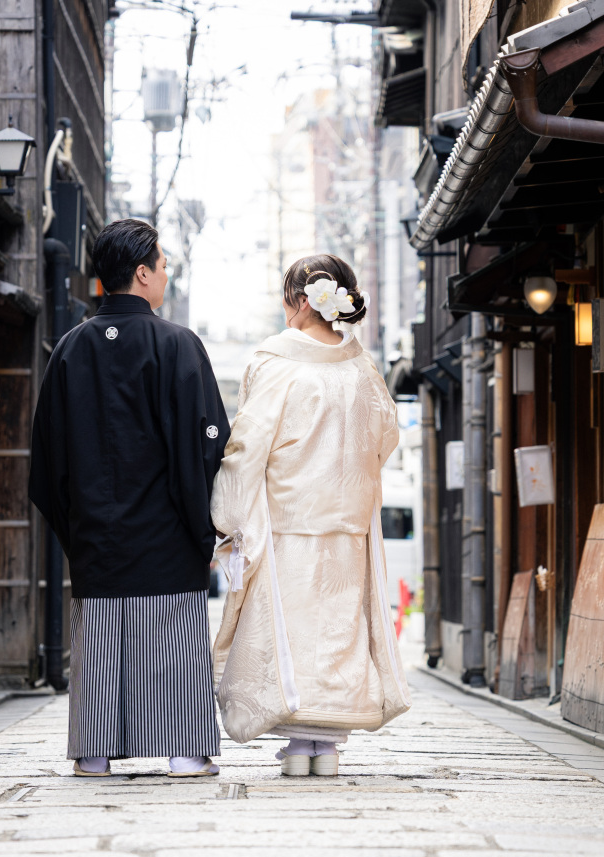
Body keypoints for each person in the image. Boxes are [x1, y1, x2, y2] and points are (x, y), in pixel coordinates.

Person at [29, 218, 229, 778]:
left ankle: (94, 753)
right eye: (163, 265)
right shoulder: (179, 345)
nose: (165, 274)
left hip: (96, 536)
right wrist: (202, 525)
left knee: (100, 645)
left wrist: (77, 529)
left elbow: (46, 457)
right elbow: (209, 441)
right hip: (169, 535)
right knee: (175, 641)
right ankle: (186, 751)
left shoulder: (69, 349)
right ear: (142, 274)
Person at [211, 254, 411, 777]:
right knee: (337, 631)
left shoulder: (275, 362)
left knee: (290, 631)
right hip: (348, 524)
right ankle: (327, 748)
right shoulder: (362, 366)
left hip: (289, 523)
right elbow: (385, 435)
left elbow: (248, 445)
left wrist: (229, 514)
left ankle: (300, 746)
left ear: (302, 302)